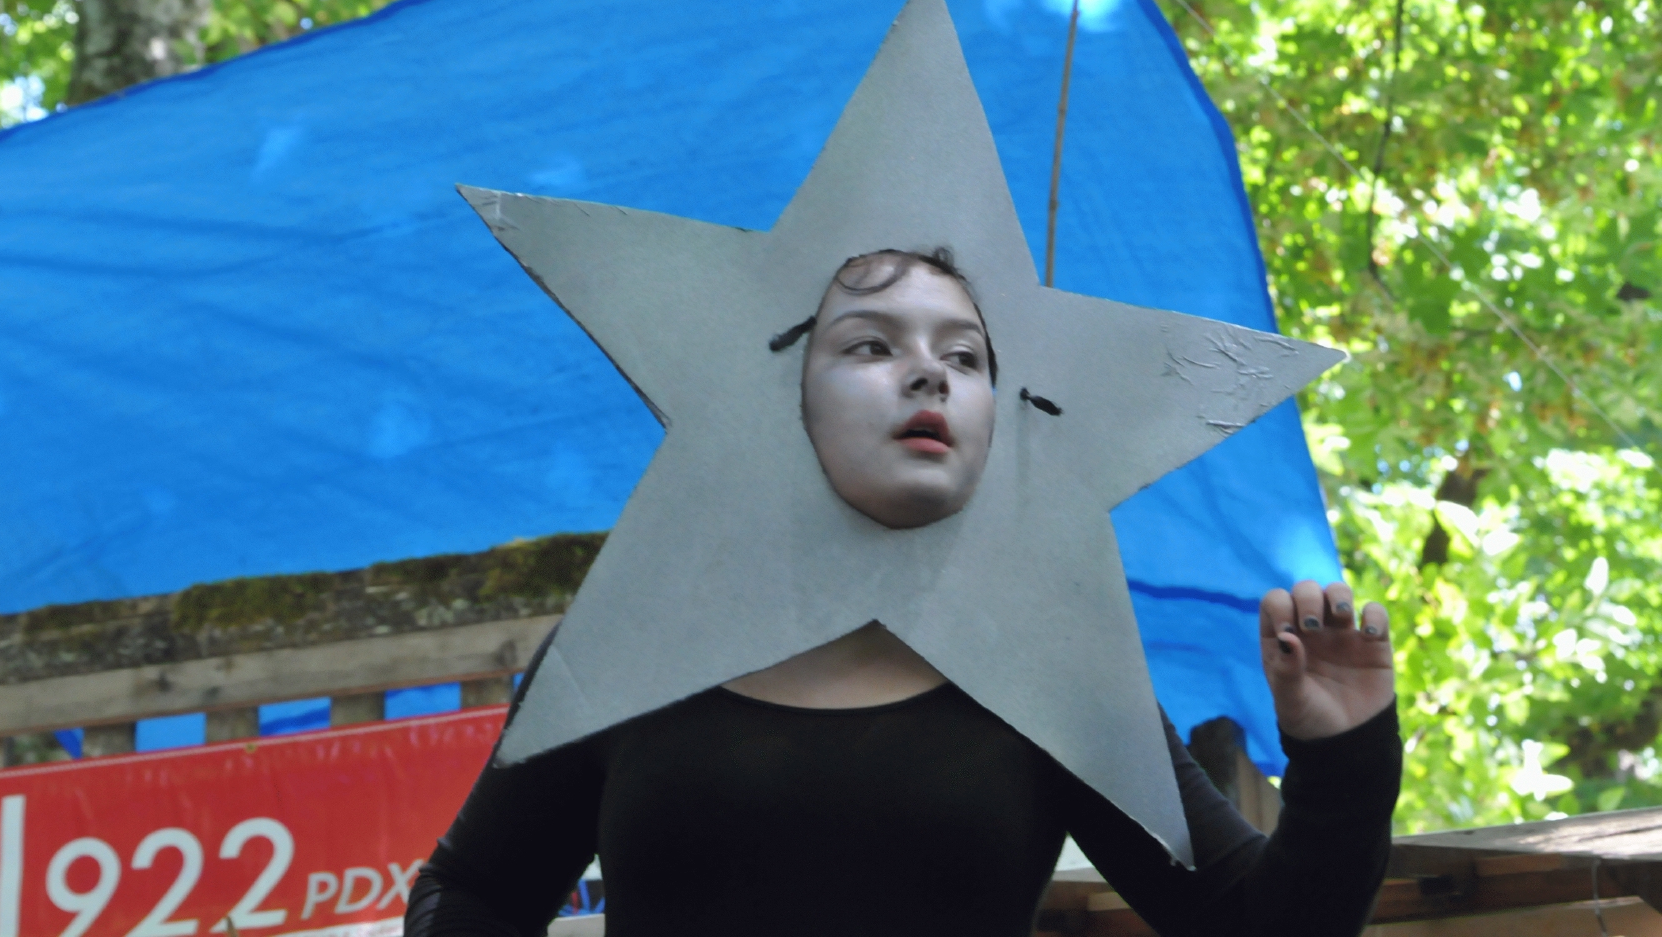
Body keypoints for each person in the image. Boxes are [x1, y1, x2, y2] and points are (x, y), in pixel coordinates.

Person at [409, 250, 1401, 937]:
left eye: (963, 357)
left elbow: (1251, 927)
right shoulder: (623, 647)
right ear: (777, 400)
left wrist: (1344, 758)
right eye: (871, 345)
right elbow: (470, 893)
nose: (927, 371)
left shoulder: (1056, 674)